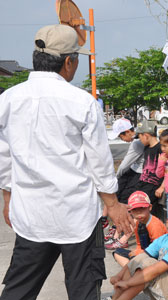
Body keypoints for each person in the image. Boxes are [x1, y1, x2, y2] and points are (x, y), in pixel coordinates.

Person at [0, 24, 133, 300]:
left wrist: (7, 197)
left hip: (30, 215)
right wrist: (112, 204)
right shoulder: (81, 102)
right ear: (69, 61)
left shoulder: (8, 100)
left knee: (18, 291)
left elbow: (4, 155)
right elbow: (98, 159)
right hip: (77, 218)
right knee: (83, 291)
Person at [107, 202, 168, 300]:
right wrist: (119, 276)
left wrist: (127, 283)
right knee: (141, 258)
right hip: (167, 287)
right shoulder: (166, 238)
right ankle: (115, 298)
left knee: (149, 265)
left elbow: (155, 270)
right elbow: (141, 257)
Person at [103, 118, 145, 241]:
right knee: (113, 192)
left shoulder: (137, 143)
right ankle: (106, 222)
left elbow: (124, 165)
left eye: (121, 136)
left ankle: (118, 230)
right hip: (133, 171)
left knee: (122, 200)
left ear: (127, 132)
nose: (121, 139)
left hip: (138, 174)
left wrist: (117, 176)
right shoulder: (138, 139)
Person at [112, 191, 167, 267]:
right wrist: (137, 251)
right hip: (145, 252)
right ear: (130, 211)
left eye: (142, 208)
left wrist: (138, 254)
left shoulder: (154, 224)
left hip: (156, 256)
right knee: (117, 252)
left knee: (136, 259)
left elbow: (158, 249)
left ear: (150, 207)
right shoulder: (138, 223)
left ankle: (133, 271)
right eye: (135, 210)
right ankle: (132, 271)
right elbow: (139, 244)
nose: (138, 212)